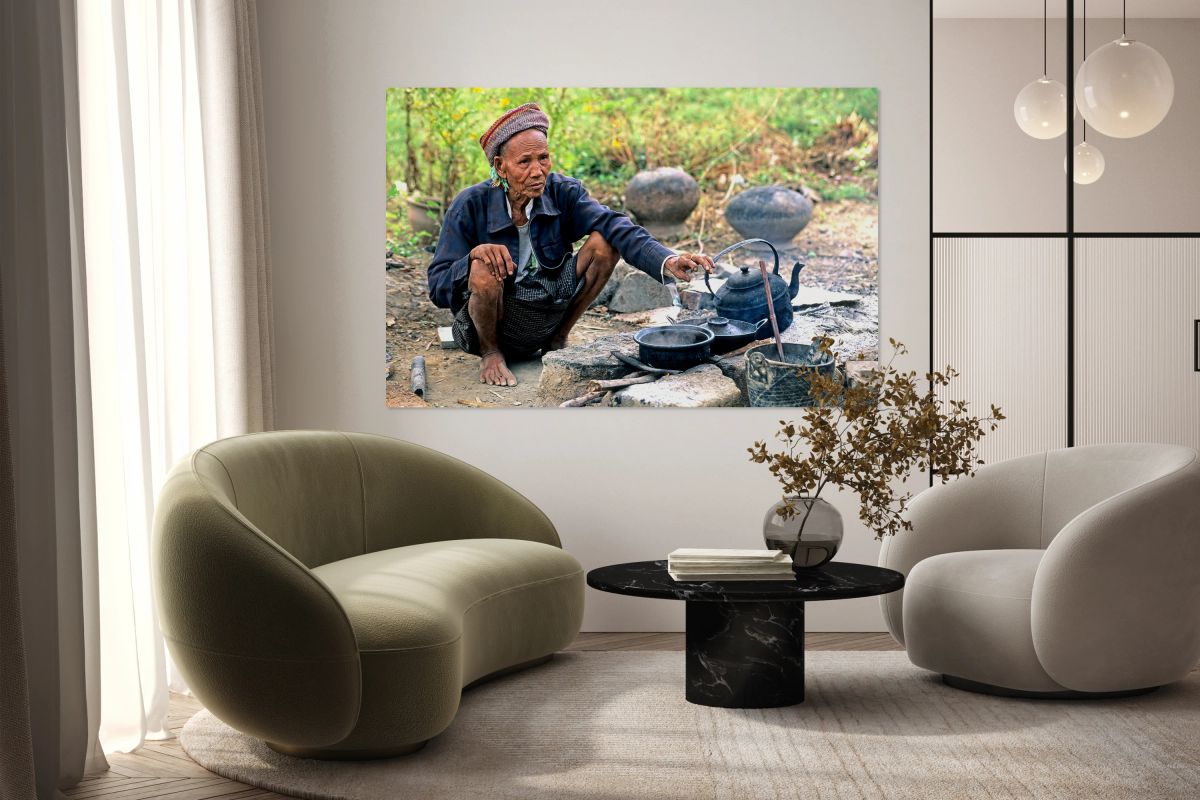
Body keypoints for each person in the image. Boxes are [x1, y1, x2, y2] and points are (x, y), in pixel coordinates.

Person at [427, 102, 715, 386]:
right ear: (501, 167)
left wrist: (667, 259)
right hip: (495, 321)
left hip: (546, 306)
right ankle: (492, 354)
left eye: (543, 158)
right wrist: (473, 257)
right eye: (524, 162)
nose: (538, 170)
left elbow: (615, 225)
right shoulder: (469, 204)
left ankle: (557, 339)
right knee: (483, 265)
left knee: (605, 241)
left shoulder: (563, 192)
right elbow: (438, 285)